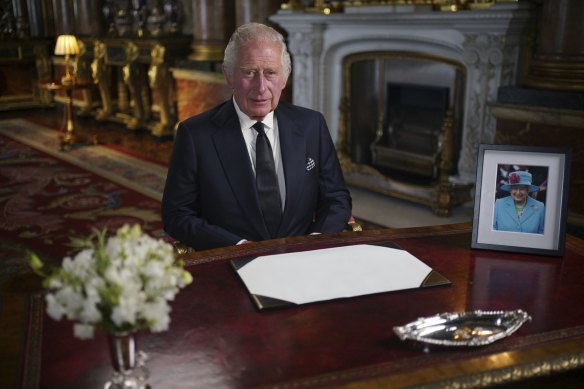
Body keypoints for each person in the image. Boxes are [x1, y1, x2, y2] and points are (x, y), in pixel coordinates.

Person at [162, 22, 352, 250]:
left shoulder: (312, 125)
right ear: (229, 75)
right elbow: (177, 215)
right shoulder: (195, 135)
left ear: (285, 77)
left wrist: (313, 241)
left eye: (271, 73)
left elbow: (336, 197)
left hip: (303, 258)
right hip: (232, 261)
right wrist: (238, 246)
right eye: (249, 72)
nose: (261, 87)